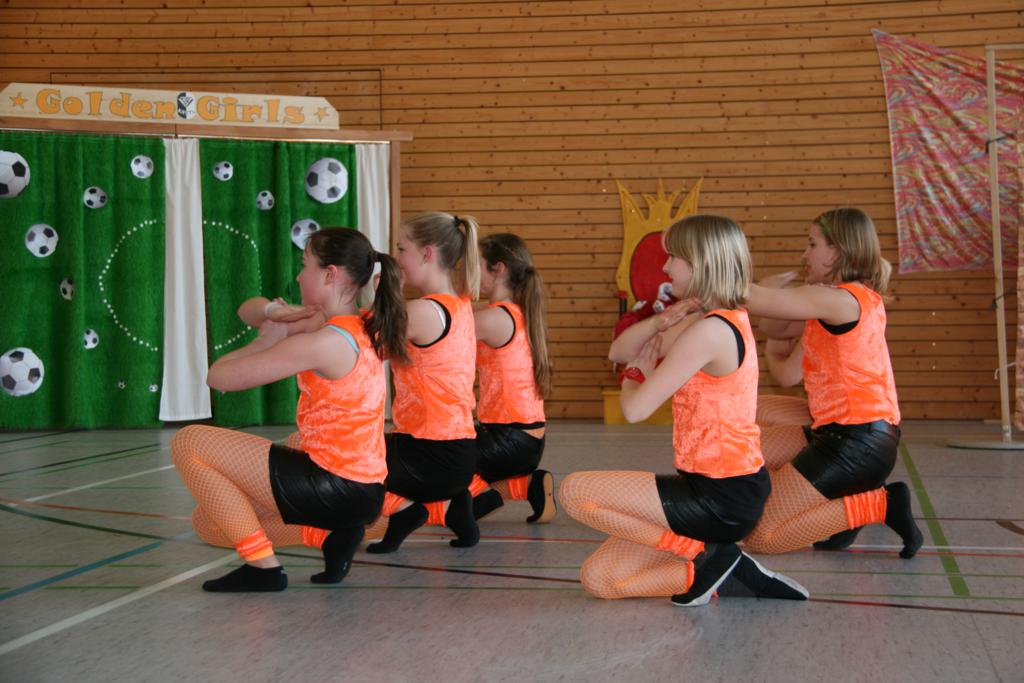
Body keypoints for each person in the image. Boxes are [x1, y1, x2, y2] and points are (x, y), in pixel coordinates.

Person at [559, 214, 808, 606]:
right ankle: (724, 571)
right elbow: (619, 350)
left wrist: (635, 374)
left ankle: (705, 553)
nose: (665, 267)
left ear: (700, 263)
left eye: (673, 257)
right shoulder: (704, 320)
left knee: (575, 492)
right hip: (707, 489)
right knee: (601, 579)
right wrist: (660, 322)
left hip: (721, 496)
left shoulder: (711, 331)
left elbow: (636, 408)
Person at [171, 228, 407, 591]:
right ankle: (327, 536)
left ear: (330, 274)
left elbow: (219, 377)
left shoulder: (324, 341)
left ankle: (263, 568)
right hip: (365, 490)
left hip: (332, 487)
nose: (298, 276)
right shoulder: (360, 324)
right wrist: (274, 312)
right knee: (208, 523)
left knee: (189, 442)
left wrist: (267, 340)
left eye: (305, 264)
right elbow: (248, 311)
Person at [741, 207, 923, 557]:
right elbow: (772, 327)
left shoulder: (839, 299)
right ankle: (839, 500)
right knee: (747, 429)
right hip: (843, 429)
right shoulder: (833, 297)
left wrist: (749, 283)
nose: (804, 254)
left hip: (857, 441)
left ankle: (878, 504)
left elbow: (756, 302)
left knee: (762, 539)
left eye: (812, 244)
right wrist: (772, 298)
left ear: (837, 251)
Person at [365, 212, 483, 553]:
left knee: (344, 462)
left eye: (402, 249)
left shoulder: (423, 311)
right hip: (459, 452)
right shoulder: (459, 304)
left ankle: (406, 509)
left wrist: (381, 297)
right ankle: (452, 506)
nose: (396, 257)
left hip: (429, 454)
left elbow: (364, 349)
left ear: (427, 253)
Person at [467, 233, 556, 523]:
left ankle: (484, 495)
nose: (471, 272)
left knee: (437, 458)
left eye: (476, 265)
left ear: (499, 269)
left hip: (506, 441)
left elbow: (442, 325)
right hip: (527, 440)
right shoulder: (515, 312)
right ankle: (528, 485)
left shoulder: (495, 319)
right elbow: (458, 310)